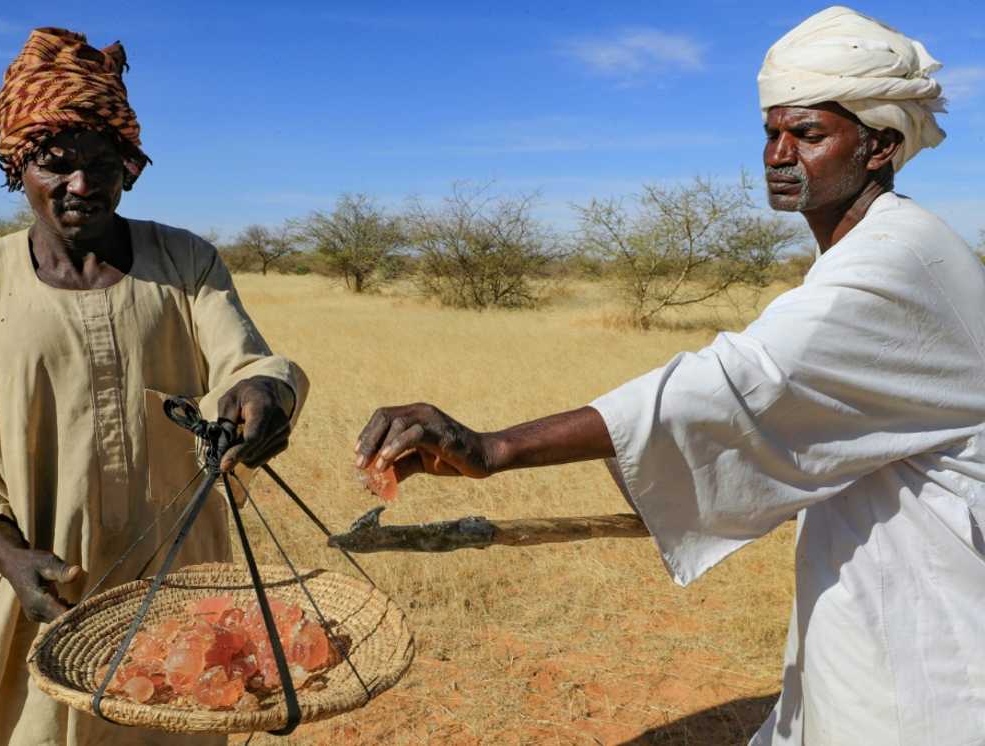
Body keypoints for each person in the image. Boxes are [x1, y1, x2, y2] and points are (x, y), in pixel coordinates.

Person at [355, 7, 984, 744]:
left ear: (878, 146)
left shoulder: (893, 261)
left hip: (926, 600)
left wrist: (496, 449)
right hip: (879, 570)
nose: (778, 154)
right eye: (770, 133)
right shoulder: (883, 245)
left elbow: (739, 380)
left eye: (808, 134)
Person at [0, 28, 307, 746]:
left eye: (103, 165)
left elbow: (244, 360)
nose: (82, 187)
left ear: (130, 165)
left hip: (178, 574)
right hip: (41, 586)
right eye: (56, 166)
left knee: (178, 719)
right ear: (16, 165)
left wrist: (264, 394)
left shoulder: (185, 261)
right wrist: (12, 557)